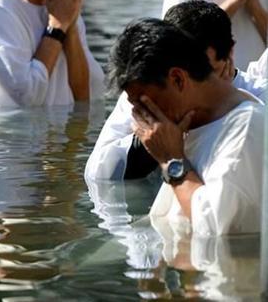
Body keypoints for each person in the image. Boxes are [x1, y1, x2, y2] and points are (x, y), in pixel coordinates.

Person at [107, 19, 263, 236]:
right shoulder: (192, 125)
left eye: (145, 104)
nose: (141, 117)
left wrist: (172, 161)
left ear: (178, 79)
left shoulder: (246, 127)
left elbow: (213, 228)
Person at [85, 0, 267, 180]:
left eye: (203, 68)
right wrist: (150, 141)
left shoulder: (257, 102)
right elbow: (97, 173)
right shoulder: (148, 93)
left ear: (228, 54)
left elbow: (214, 207)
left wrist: (173, 158)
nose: (192, 81)